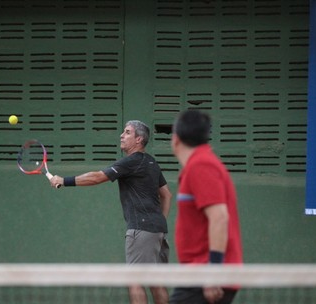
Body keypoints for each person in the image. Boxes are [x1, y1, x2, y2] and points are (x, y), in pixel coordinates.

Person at [50, 120, 172, 304]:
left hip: (141, 228)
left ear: (138, 139)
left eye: (127, 132)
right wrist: (159, 220)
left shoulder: (131, 161)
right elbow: (167, 195)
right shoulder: (151, 162)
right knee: (156, 282)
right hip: (158, 230)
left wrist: (63, 180)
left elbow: (97, 177)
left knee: (135, 281)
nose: (122, 136)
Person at [169, 110, 243, 304]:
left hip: (205, 275)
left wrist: (213, 274)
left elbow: (219, 217)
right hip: (199, 273)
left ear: (175, 139)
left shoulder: (201, 165)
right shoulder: (198, 165)